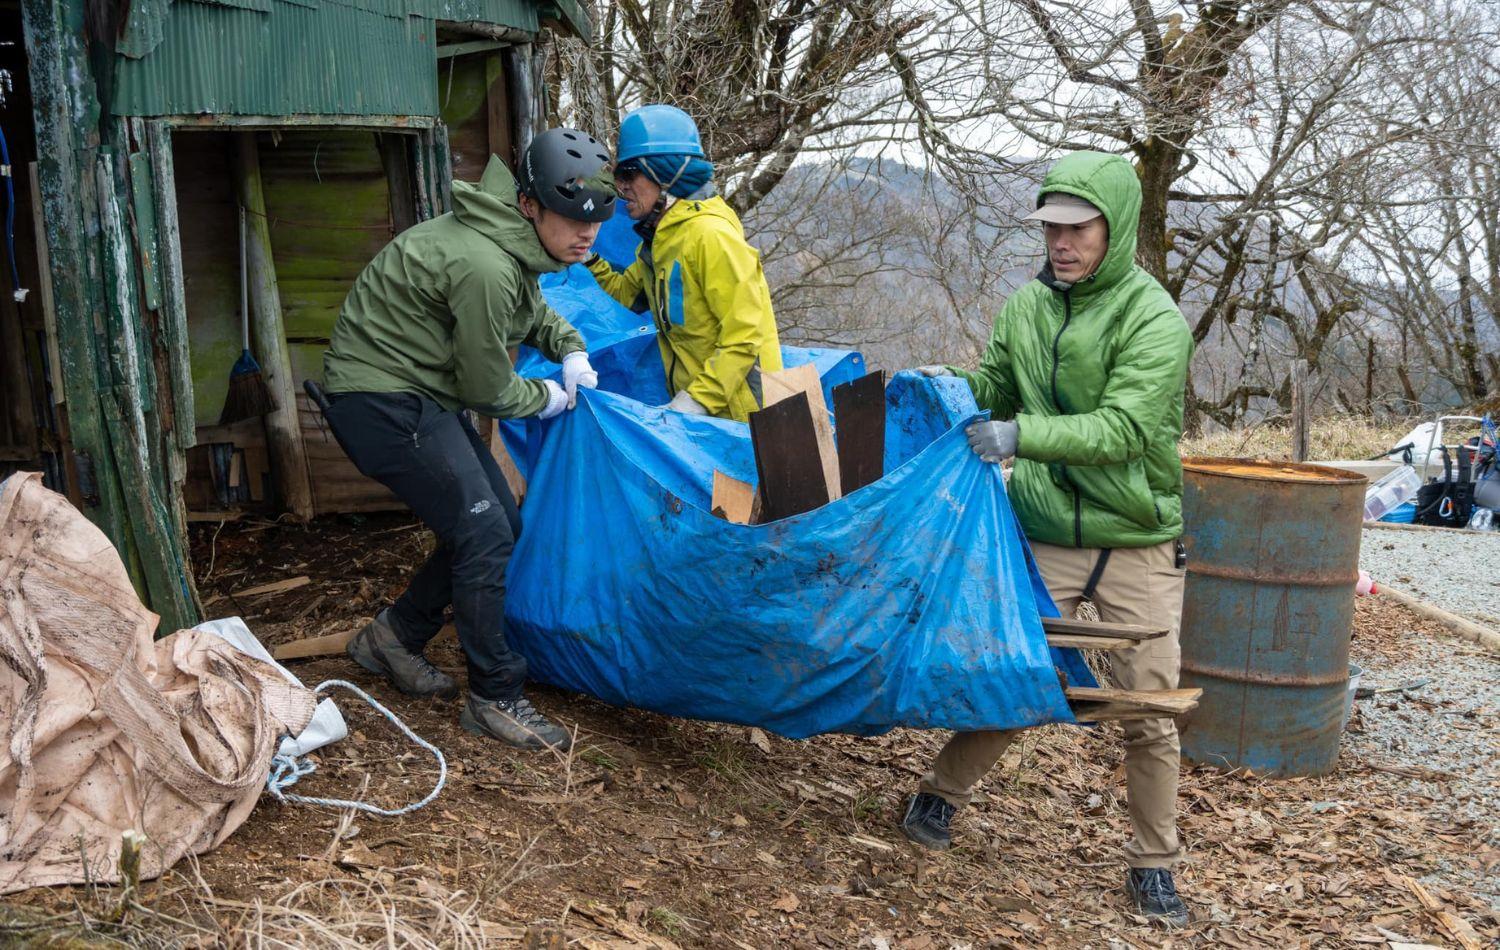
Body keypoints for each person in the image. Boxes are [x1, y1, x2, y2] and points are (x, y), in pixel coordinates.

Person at [901, 151, 1195, 927]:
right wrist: (949, 387)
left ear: (1115, 228)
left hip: (1135, 537)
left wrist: (1019, 435)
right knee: (1016, 666)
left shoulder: (1152, 318)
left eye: (1078, 228)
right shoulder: (1028, 307)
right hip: (1044, 530)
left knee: (1152, 710)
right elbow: (994, 384)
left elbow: (1126, 429)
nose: (1061, 242)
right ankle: (939, 795)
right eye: (1052, 228)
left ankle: (1154, 866)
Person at [320, 128, 616, 751]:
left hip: (417, 394)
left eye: (598, 217)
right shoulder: (485, 264)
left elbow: (533, 315)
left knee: (498, 522)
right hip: (381, 401)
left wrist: (572, 350)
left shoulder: (512, 245)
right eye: (570, 216)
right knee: (482, 532)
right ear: (531, 205)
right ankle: (495, 697)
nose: (586, 232)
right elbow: (487, 385)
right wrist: (549, 398)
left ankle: (393, 638)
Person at [586, 104, 781, 421]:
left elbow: (745, 335)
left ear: (664, 174)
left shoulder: (710, 236)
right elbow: (626, 295)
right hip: (704, 417)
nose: (620, 186)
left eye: (628, 174)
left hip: (743, 422)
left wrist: (697, 400)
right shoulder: (660, 240)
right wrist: (588, 258)